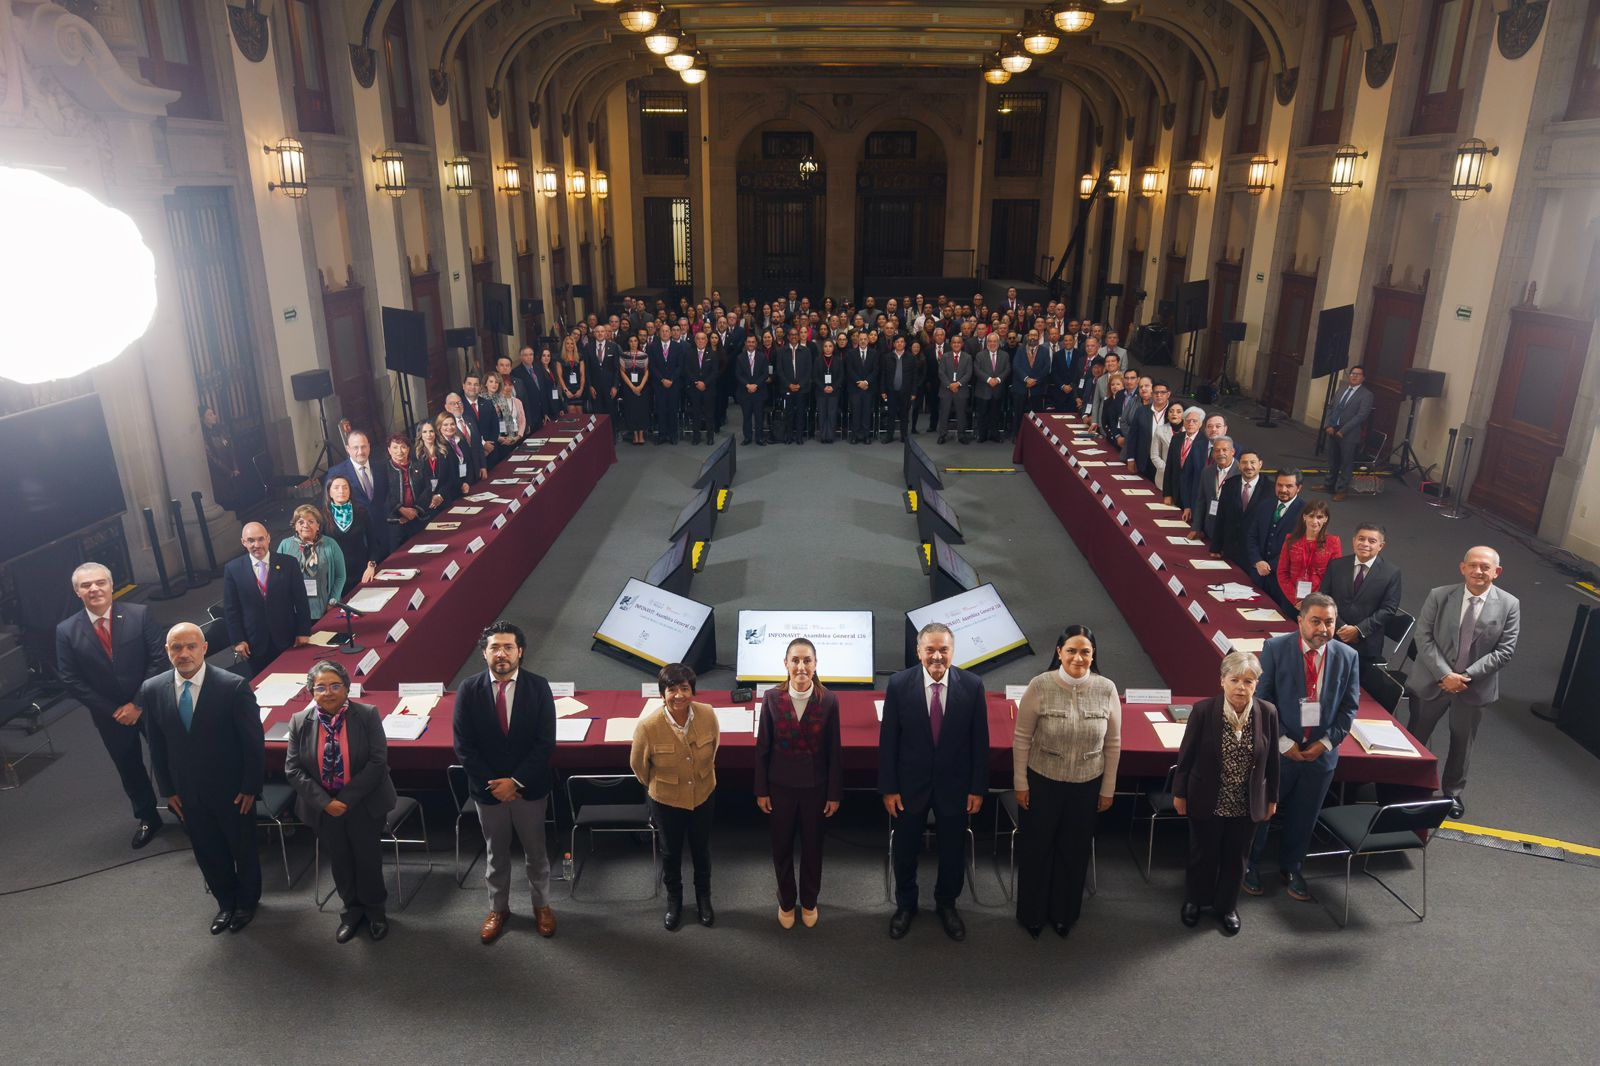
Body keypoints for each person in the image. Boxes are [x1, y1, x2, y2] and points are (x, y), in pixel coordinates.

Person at [137, 622, 264, 935]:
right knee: (207, 851)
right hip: (187, 793)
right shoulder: (152, 689)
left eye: (191, 646)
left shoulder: (233, 686)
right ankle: (226, 903)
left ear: (204, 648)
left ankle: (247, 904)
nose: (184, 654)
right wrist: (168, 790)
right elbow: (156, 745)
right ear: (167, 651)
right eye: (176, 647)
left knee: (242, 849)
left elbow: (252, 743)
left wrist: (250, 786)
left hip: (233, 791)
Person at [1245, 593, 1359, 902]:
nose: (1323, 628)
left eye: (1329, 622)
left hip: (1320, 755)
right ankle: (1249, 864)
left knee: (1305, 815)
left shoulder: (1348, 656)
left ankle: (1292, 867)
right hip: (1278, 750)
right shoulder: (1276, 648)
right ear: (1300, 621)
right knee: (1263, 810)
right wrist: (1283, 741)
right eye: (1316, 621)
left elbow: (1349, 707)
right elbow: (1262, 700)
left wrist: (1325, 743)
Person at [880, 622, 989, 941]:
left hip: (955, 786)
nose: (937, 656)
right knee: (905, 851)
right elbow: (889, 740)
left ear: (953, 651)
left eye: (944, 650)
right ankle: (906, 905)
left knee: (953, 852)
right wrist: (889, 787)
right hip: (908, 787)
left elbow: (979, 741)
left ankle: (947, 904)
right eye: (930, 650)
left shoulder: (973, 685)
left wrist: (977, 787)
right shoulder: (899, 684)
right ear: (919, 652)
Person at [1011, 626, 1121, 938]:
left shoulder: (1107, 689)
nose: (1078, 658)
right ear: (1059, 652)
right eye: (1071, 650)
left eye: (1085, 651)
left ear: (1093, 655)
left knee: (1074, 851)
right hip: (1042, 782)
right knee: (1037, 849)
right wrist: (1020, 783)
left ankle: (1064, 914)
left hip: (1087, 784)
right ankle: (1032, 914)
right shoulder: (1040, 685)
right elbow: (1021, 738)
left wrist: (1108, 788)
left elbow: (1113, 743)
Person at [452, 621, 558, 944]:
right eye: (494, 648)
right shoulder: (468, 690)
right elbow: (464, 746)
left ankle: (541, 906)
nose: (501, 654)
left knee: (536, 853)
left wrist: (516, 781)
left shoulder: (539, 687)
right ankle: (498, 909)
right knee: (495, 854)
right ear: (484, 654)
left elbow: (545, 743)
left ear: (520, 651)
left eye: (508, 647)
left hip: (529, 790)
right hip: (489, 793)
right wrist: (495, 785)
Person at [54, 562, 167, 848]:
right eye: (86, 585)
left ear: (111, 585)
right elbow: (70, 679)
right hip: (110, 715)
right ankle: (148, 817)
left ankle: (186, 810)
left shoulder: (139, 614)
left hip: (149, 704)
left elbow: (158, 660)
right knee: (128, 766)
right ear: (77, 592)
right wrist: (113, 710)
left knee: (168, 757)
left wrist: (137, 704)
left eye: (100, 582)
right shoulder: (66, 631)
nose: (94, 589)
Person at [284, 659, 396, 942]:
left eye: (335, 686)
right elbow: (293, 769)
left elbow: (377, 762)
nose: (328, 693)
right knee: (340, 861)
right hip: (323, 808)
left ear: (347, 688)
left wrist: (344, 800)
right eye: (320, 687)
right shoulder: (300, 721)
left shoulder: (367, 715)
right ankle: (351, 911)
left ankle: (375, 911)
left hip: (363, 803)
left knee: (368, 860)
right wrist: (325, 802)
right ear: (311, 692)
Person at [1173, 650, 1279, 936]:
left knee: (1237, 857)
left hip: (1246, 802)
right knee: (1202, 854)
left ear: (1257, 684)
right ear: (1222, 681)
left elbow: (1272, 762)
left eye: (1248, 681)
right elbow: (1186, 756)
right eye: (1234, 680)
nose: (1241, 688)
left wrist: (1272, 798)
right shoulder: (1203, 711)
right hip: (1207, 796)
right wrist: (1179, 793)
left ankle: (1227, 906)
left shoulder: (1268, 712)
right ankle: (1195, 900)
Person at [1410, 546, 1521, 819]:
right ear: (1462, 568)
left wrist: (1465, 677)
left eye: (1485, 567)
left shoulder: (1510, 604)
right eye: (1473, 565)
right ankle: (1407, 786)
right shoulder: (1439, 595)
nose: (1478, 571)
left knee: (1462, 744)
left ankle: (1452, 793)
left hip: (1473, 688)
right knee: (1416, 736)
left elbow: (1505, 651)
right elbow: (1423, 637)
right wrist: (1445, 675)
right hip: (1433, 682)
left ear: (1497, 572)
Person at [753, 638, 842, 928]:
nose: (801, 666)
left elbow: (834, 750)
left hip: (816, 788)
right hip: (780, 787)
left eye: (807, 660)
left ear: (815, 664)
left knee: (813, 848)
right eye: (795, 660)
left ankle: (810, 900)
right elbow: (763, 747)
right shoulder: (771, 698)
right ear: (786, 664)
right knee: (781, 848)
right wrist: (761, 789)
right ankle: (787, 901)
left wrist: (833, 793)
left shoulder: (829, 700)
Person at [630, 663, 720, 931]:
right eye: (672, 690)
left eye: (685, 688)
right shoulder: (648, 726)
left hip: (703, 795)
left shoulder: (707, 714)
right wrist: (660, 785)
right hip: (666, 801)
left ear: (692, 691)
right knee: (670, 853)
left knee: (701, 850)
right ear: (662, 694)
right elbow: (639, 767)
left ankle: (704, 898)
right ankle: (674, 901)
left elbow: (714, 748)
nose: (679, 695)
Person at [221, 522, 310, 677]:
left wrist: (303, 631)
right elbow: (231, 610)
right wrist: (238, 640)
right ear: (243, 542)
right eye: (251, 540)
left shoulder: (289, 563)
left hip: (288, 638)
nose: (257, 545)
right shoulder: (233, 569)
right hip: (254, 644)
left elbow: (301, 600)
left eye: (261, 539)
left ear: (268, 538)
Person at [1319, 523, 1403, 664]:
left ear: (1381, 546)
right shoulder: (1337, 565)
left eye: (1372, 541)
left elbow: (1388, 609)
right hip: (1331, 634)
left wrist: (1358, 630)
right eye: (1361, 539)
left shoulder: (1391, 573)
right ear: (1354, 541)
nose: (1365, 544)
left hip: (1366, 643)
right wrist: (1340, 626)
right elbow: (1324, 598)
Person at [1247, 469, 1306, 614]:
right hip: (1257, 575)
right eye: (1279, 485)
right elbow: (1252, 536)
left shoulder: (1306, 513)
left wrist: (1270, 566)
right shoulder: (1264, 505)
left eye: (1289, 486)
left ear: (1299, 488)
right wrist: (1257, 561)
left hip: (1283, 583)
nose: (1283, 490)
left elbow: (1299, 547)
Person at [276, 504, 347, 620]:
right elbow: (277, 577)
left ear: (318, 525)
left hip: (325, 608)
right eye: (301, 522)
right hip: (294, 611)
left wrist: (333, 601)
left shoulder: (331, 544)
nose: (306, 525)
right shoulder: (285, 545)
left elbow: (340, 576)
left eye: (311, 521)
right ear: (295, 526)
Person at [327, 430, 390, 557]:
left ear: (369, 446)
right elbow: (329, 504)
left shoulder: (381, 467)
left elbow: (386, 495)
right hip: (357, 540)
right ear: (348, 449)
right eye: (356, 448)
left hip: (384, 534)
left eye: (363, 446)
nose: (360, 451)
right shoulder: (337, 472)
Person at [1212, 447, 1271, 568]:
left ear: (1260, 464)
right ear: (1239, 465)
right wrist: (1216, 547)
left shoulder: (1270, 489)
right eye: (1244, 462)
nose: (1248, 466)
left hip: (1255, 555)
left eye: (1253, 462)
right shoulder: (1229, 484)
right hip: (1230, 551)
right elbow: (1221, 517)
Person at [1277, 500, 1341, 611]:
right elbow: (1282, 572)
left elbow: (1333, 576)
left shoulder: (1333, 542)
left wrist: (1313, 600)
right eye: (1311, 516)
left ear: (1326, 519)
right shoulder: (1290, 540)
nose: (1315, 521)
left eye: (1319, 517)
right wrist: (1295, 599)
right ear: (1304, 517)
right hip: (1291, 600)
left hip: (1319, 601)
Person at [1322, 365, 1373, 500]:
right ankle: (1328, 485)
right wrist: (1328, 425)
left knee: (1346, 463)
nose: (1354, 376)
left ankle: (1341, 490)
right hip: (1333, 429)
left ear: (1363, 378)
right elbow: (1331, 407)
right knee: (1332, 460)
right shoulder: (1342, 389)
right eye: (1352, 373)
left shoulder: (1366, 395)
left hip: (1349, 434)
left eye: (1358, 374)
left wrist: (1343, 430)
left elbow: (1361, 416)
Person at [322, 476, 379, 594]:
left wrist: (371, 565)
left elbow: (373, 542)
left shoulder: (361, 512)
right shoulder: (322, 515)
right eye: (336, 488)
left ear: (350, 491)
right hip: (335, 574)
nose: (341, 491)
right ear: (329, 492)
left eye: (345, 487)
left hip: (362, 571)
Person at [379, 434, 434, 545]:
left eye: (403, 447)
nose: (399, 451)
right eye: (395, 447)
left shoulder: (419, 464)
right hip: (396, 522)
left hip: (419, 518)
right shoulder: (382, 469)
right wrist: (401, 510)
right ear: (389, 450)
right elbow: (384, 493)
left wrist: (415, 510)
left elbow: (428, 489)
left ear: (408, 449)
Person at [1187, 435, 1237, 542]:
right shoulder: (1207, 471)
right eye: (1217, 450)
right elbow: (1201, 501)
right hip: (1209, 530)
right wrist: (1196, 528)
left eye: (1224, 450)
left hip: (1230, 534)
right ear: (1213, 453)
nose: (1220, 453)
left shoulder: (1241, 472)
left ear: (1232, 451)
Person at [1163, 406, 1208, 511]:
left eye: (1194, 421)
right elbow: (1169, 466)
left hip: (1192, 493)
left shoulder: (1205, 442)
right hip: (1175, 490)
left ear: (1200, 424)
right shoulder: (1176, 438)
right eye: (1188, 420)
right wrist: (1167, 493)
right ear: (1183, 422)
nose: (1190, 423)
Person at [776, 331, 812, 444]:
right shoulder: (781, 351)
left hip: (802, 388)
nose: (794, 337)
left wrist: (800, 384)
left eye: (796, 335)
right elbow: (779, 370)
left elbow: (809, 370)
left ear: (799, 336)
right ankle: (789, 436)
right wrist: (789, 384)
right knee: (789, 413)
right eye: (791, 335)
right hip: (787, 388)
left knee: (800, 413)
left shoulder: (806, 351)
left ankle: (799, 437)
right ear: (788, 337)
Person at [973, 332, 1010, 443]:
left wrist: (998, 379)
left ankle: (994, 435)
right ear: (987, 342)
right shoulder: (980, 355)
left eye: (994, 341)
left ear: (998, 343)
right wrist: (989, 379)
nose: (992, 343)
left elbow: (1007, 369)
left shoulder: (1005, 355)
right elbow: (977, 370)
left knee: (996, 414)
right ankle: (982, 435)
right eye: (990, 341)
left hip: (998, 390)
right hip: (983, 390)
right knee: (982, 414)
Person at [683, 330, 718, 445]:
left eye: (703, 339)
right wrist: (696, 382)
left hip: (709, 389)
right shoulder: (689, 353)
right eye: (698, 339)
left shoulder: (712, 353)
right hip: (694, 388)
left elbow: (715, 372)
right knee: (696, 414)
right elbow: (687, 370)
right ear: (695, 340)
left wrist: (705, 383)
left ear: (706, 341)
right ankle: (696, 437)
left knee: (709, 414)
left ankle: (710, 437)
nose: (700, 341)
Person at [937, 335, 973, 444]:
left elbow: (968, 373)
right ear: (951, 344)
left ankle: (961, 435)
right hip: (946, 390)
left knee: (961, 414)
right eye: (954, 342)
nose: (956, 344)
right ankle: (942, 435)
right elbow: (941, 373)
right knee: (944, 413)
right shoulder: (944, 356)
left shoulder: (968, 357)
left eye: (958, 342)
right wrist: (950, 385)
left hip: (961, 390)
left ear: (962, 344)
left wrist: (957, 384)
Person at [435, 410, 481, 496]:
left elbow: (469, 461)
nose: (450, 427)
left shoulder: (461, 439)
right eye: (445, 425)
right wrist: (460, 485)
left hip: (467, 485)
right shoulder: (438, 446)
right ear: (439, 427)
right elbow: (446, 474)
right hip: (451, 490)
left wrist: (467, 482)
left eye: (452, 424)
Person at [735, 334, 770, 446]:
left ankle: (759, 438)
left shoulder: (762, 357)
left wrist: (755, 385)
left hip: (759, 391)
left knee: (759, 416)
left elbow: (765, 374)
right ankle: (747, 437)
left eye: (753, 342)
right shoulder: (740, 357)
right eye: (749, 342)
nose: (750, 344)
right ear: (745, 343)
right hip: (744, 391)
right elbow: (738, 374)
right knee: (747, 416)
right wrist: (747, 385)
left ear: (756, 343)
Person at [846, 332, 879, 443]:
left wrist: (866, 382)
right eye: (861, 339)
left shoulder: (874, 353)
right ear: (857, 340)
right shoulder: (851, 353)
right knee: (855, 412)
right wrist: (859, 382)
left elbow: (876, 370)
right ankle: (855, 436)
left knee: (866, 413)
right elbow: (849, 370)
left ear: (868, 340)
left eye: (865, 339)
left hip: (868, 388)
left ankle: (866, 436)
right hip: (855, 388)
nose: (863, 341)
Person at [813, 339, 842, 443]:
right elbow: (815, 376)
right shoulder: (818, 360)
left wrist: (833, 387)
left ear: (833, 348)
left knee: (832, 414)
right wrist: (823, 387)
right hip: (821, 391)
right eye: (825, 346)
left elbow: (841, 376)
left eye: (830, 346)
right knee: (822, 414)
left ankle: (830, 436)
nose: (828, 348)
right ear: (823, 348)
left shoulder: (838, 360)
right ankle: (823, 436)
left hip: (834, 391)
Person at [1149, 400, 1183, 487]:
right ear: (1167, 415)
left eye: (1178, 412)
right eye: (1171, 411)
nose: (1174, 414)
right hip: (1164, 477)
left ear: (1184, 415)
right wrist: (1168, 470)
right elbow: (1154, 456)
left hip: (1184, 478)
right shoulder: (1160, 430)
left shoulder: (1189, 431)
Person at [558, 337, 587, 417]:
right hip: (567, 389)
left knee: (580, 413)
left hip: (578, 389)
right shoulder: (560, 358)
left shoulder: (580, 357)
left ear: (574, 345)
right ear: (564, 345)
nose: (570, 345)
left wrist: (581, 389)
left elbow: (582, 374)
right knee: (572, 413)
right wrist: (566, 391)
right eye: (567, 343)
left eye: (572, 343)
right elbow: (560, 376)